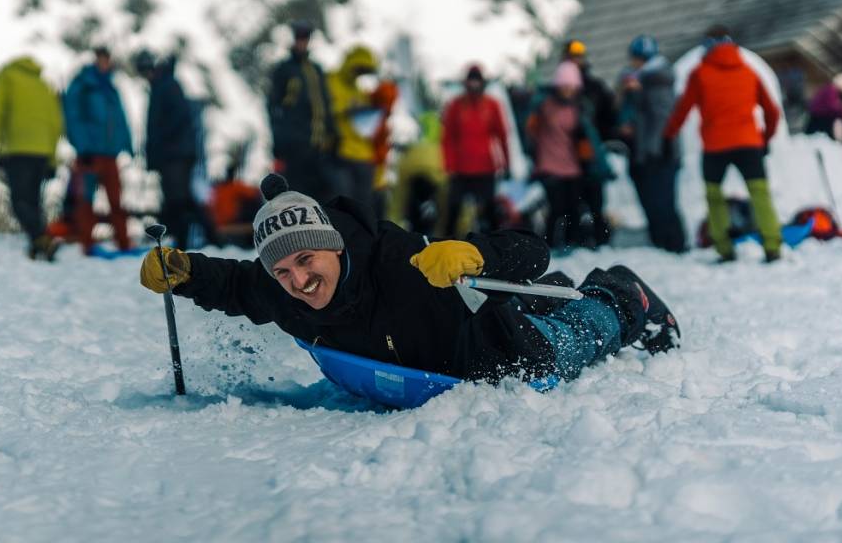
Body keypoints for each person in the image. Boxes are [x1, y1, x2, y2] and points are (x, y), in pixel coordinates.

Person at [138, 174, 679, 388]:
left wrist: (477, 256)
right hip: (440, 346)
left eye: (305, 259)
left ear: (334, 245)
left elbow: (531, 252)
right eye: (282, 270)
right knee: (515, 303)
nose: (298, 280)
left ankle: (620, 293)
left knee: (574, 339)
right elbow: (238, 285)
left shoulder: (402, 263)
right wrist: (185, 272)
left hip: (497, 352)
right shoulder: (282, 287)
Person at [664, 25, 783, 263]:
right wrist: (765, 138)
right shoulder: (748, 71)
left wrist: (668, 135)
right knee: (760, 194)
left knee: (714, 197)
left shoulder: (700, 73)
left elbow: (682, 110)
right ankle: (772, 246)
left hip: (715, 147)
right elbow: (772, 111)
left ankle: (724, 249)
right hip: (749, 143)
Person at [0, 55, 64, 259]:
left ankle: (42, 238)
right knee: (33, 202)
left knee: (19, 202)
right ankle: (38, 246)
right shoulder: (43, 84)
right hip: (42, 151)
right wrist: (53, 159)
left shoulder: (7, 77)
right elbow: (56, 123)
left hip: (18, 149)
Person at [526, 62, 611, 250]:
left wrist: (591, 160)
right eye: (564, 86)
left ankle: (572, 245)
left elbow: (588, 136)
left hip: (572, 165)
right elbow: (530, 130)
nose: (567, 90)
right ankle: (547, 246)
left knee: (573, 207)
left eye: (571, 86)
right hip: (549, 163)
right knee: (556, 208)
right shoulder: (544, 105)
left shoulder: (579, 108)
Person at [616, 35, 687, 253]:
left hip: (659, 151)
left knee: (662, 201)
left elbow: (661, 119)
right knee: (655, 199)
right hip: (649, 150)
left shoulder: (656, 82)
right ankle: (663, 242)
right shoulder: (644, 82)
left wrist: (654, 150)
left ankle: (672, 243)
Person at [136, 51, 212, 248]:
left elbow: (174, 120)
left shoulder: (167, 86)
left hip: (176, 154)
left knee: (179, 200)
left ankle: (197, 238)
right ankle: (197, 237)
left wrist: (161, 143)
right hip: (174, 154)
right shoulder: (162, 86)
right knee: (179, 199)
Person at [64, 46, 134, 254]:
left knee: (116, 200)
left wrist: (127, 145)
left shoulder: (111, 88)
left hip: (111, 154)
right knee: (86, 201)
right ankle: (87, 244)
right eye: (101, 59)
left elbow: (121, 119)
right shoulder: (82, 85)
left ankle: (124, 243)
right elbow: (73, 117)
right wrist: (82, 147)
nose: (105, 63)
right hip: (89, 154)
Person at [267, 21, 337, 201]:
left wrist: (332, 133)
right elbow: (273, 108)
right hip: (295, 146)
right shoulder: (284, 70)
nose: (302, 41)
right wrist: (279, 142)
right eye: (299, 37)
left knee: (324, 195)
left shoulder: (316, 70)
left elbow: (326, 104)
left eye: (305, 37)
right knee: (297, 194)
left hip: (319, 148)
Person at [440, 64, 509, 237]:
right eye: (471, 81)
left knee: (489, 211)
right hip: (460, 169)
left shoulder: (492, 105)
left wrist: (506, 163)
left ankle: (493, 244)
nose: (474, 85)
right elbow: (448, 137)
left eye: (477, 81)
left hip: (486, 168)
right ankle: (447, 243)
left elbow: (502, 135)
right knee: (453, 210)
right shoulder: (456, 105)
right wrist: (449, 165)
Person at [563, 40, 616, 246]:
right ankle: (574, 240)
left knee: (596, 200)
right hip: (566, 155)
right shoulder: (557, 89)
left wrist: (599, 138)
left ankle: (600, 239)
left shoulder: (595, 87)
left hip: (591, 152)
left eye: (579, 56)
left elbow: (609, 116)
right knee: (571, 202)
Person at [326, 45, 384, 210]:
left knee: (363, 205)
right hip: (340, 153)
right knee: (343, 204)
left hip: (363, 155)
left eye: (364, 71)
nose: (359, 74)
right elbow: (321, 110)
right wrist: (346, 109)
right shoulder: (330, 81)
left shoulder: (358, 90)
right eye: (359, 69)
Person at [804, 73, 842, 140]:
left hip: (820, 117)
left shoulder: (831, 90)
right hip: (820, 118)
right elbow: (832, 107)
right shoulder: (831, 90)